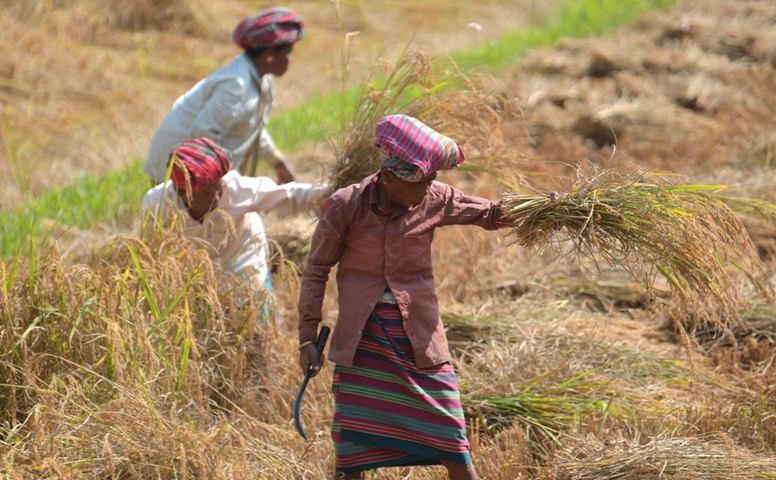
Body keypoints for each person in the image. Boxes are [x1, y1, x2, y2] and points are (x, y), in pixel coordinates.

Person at [297, 114, 512, 480]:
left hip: (421, 345)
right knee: (352, 454)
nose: (427, 189)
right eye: (419, 183)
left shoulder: (434, 198)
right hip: (363, 347)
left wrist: (544, 211)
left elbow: (490, 213)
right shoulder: (346, 206)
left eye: (432, 181)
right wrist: (307, 338)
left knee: (454, 444)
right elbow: (316, 270)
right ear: (388, 177)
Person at [141, 137, 329, 319]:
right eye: (206, 194)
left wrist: (335, 192)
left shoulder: (237, 190)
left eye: (218, 187)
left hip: (243, 256)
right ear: (183, 192)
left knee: (256, 317)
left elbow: (290, 195)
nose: (216, 197)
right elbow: (153, 255)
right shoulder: (157, 206)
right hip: (198, 274)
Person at [143, 7, 304, 186]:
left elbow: (252, 126)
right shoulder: (235, 86)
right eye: (288, 52)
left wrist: (278, 162)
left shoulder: (261, 80)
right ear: (270, 54)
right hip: (175, 166)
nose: (291, 59)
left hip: (198, 163)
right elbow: (203, 134)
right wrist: (224, 183)